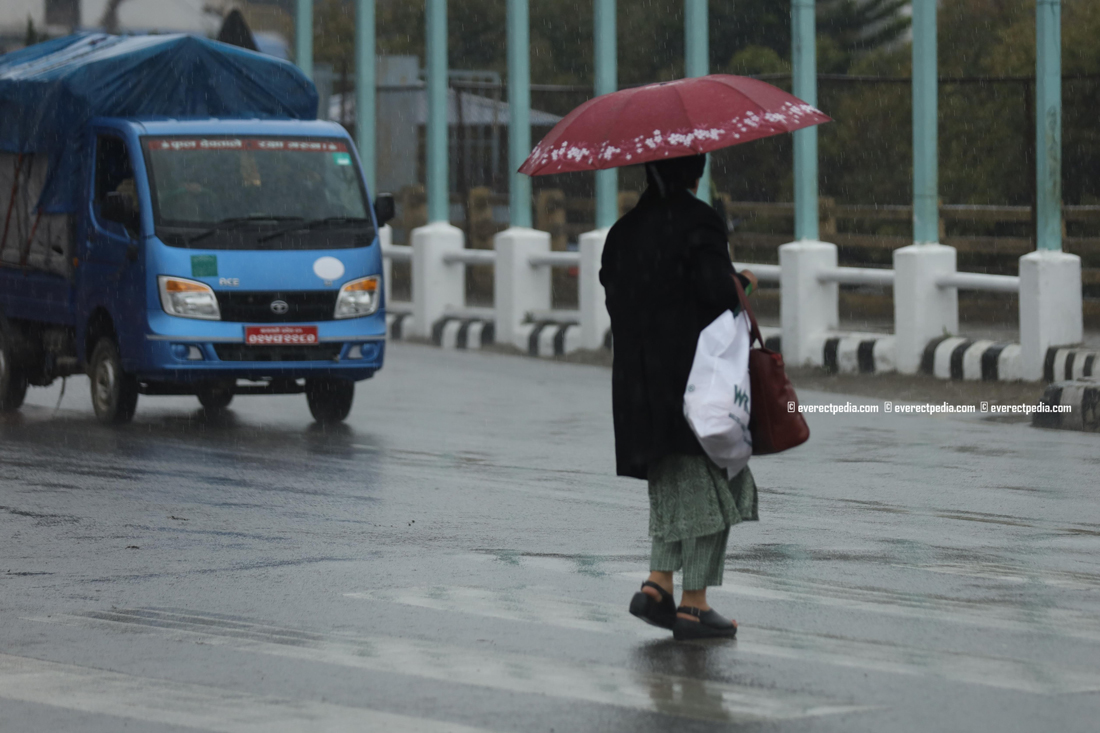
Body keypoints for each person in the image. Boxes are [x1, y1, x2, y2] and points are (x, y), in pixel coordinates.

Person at [599, 153, 759, 641]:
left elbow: (617, 297)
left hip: (640, 387)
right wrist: (743, 284)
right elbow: (713, 291)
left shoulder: (622, 232)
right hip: (695, 385)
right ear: (694, 173)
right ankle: (694, 604)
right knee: (718, 485)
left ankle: (657, 584)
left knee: (670, 482)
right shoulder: (699, 222)